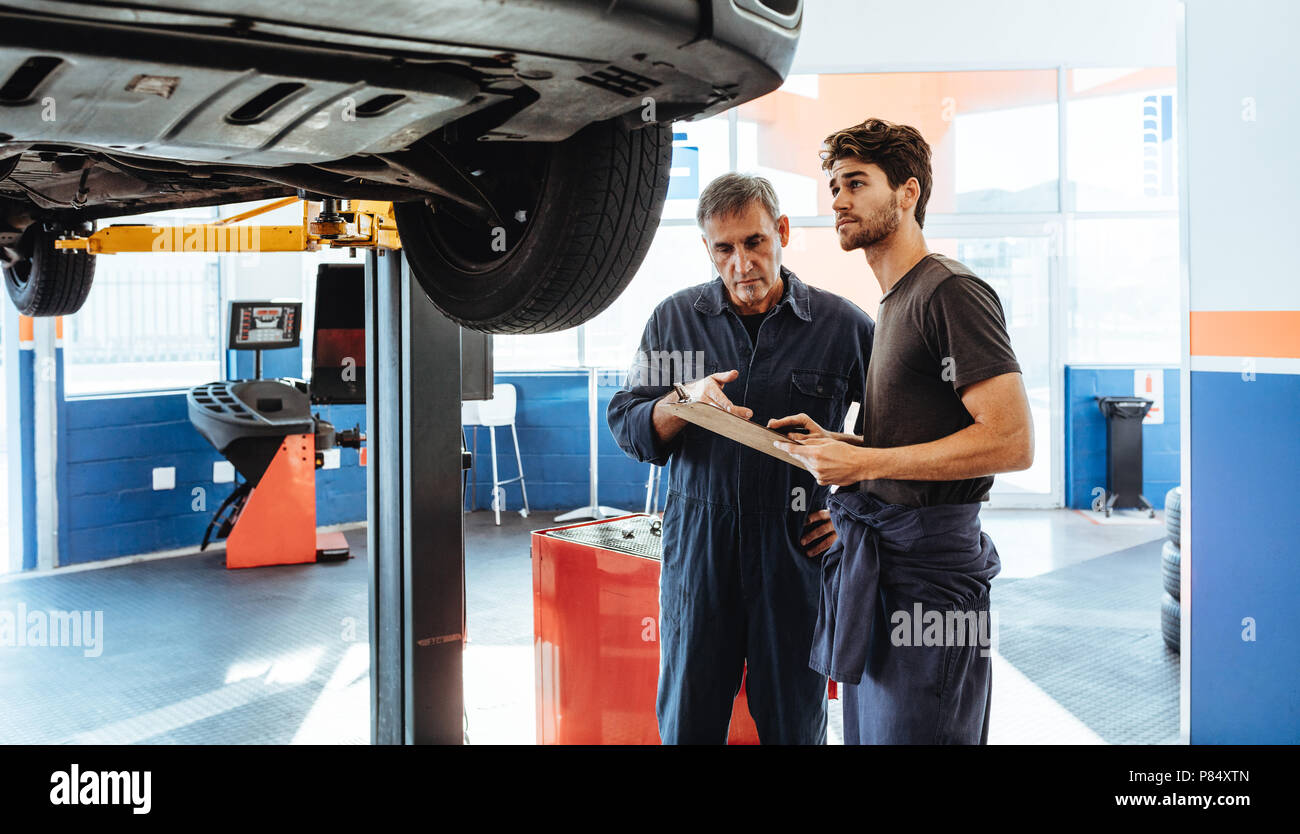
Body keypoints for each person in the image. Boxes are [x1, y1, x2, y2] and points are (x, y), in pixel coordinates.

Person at [771, 118, 1034, 745]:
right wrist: (846, 446)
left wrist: (862, 467)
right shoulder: (892, 304)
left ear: (907, 193)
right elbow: (915, 441)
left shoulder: (951, 292)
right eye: (833, 185)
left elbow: (1011, 440)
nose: (837, 200)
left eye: (855, 183)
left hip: (931, 589)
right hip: (886, 579)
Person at [607, 173, 874, 744]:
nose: (741, 263)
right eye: (723, 249)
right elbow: (629, 424)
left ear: (780, 232)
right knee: (689, 718)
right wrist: (682, 402)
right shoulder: (675, 322)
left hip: (796, 551)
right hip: (700, 550)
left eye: (754, 242)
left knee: (795, 723)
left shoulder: (842, 326)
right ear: (707, 248)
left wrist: (855, 513)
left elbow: (892, 437)